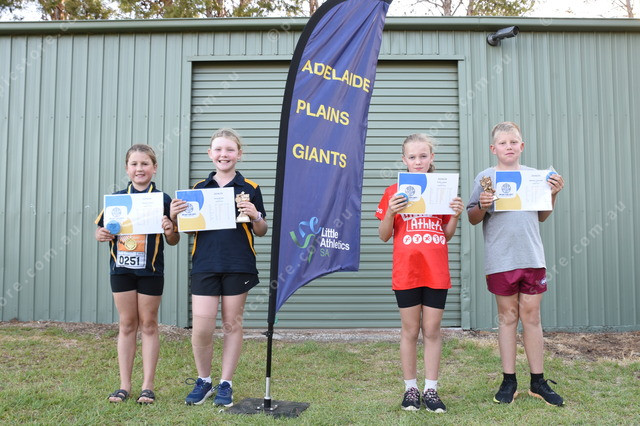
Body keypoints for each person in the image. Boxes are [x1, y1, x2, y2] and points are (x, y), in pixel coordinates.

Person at [466, 121, 565, 406]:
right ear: (493, 148)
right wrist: (483, 204)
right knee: (508, 317)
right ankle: (509, 380)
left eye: (513, 142)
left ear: (521, 146)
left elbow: (542, 215)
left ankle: (538, 381)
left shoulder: (535, 177)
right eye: (503, 143)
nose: (508, 147)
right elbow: (472, 217)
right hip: (501, 259)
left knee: (532, 316)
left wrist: (554, 193)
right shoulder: (485, 177)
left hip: (532, 256)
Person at [171, 128, 268, 407]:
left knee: (231, 325)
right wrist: (176, 217)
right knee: (201, 327)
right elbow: (187, 230)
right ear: (210, 153)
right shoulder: (197, 189)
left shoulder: (250, 188)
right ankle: (204, 380)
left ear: (239, 154)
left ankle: (226, 383)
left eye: (229, 149)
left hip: (239, 264)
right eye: (218, 149)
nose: (223, 154)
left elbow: (261, 230)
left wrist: (255, 215)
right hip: (205, 265)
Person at [376, 133, 464, 413]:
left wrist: (456, 215)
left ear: (431, 158)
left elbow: (445, 235)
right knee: (410, 330)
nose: (418, 161)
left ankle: (431, 389)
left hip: (436, 271)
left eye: (423, 156)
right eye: (412, 157)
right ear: (404, 160)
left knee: (433, 330)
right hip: (407, 271)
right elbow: (383, 235)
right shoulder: (393, 191)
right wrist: (391, 213)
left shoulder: (443, 189)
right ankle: (410, 388)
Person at [95, 144, 180, 404]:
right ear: (127, 168)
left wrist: (170, 229)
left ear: (154, 168)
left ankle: (147, 387)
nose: (139, 169)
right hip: (121, 270)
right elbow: (100, 230)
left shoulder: (164, 200)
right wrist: (100, 234)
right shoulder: (117, 199)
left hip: (151, 271)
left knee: (149, 324)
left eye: (145, 164)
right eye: (134, 164)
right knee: (127, 324)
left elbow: (174, 239)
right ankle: (124, 386)